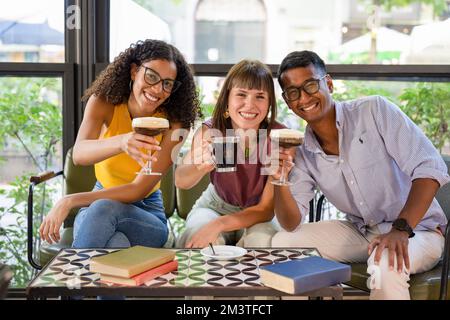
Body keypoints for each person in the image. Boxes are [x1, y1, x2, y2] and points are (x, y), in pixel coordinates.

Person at [271, 50, 449, 300]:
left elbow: (430, 168)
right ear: (288, 102)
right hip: (363, 233)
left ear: (329, 84)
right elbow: (290, 223)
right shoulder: (302, 151)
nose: (304, 98)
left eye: (311, 85)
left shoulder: (375, 110)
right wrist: (279, 178)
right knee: (282, 242)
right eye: (293, 92)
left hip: (419, 231)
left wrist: (400, 229)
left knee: (386, 261)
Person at [39, 39, 201, 250]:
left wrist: (68, 200)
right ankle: (87, 280)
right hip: (97, 206)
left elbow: (137, 190)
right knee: (117, 243)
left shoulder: (175, 121)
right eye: (151, 76)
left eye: (167, 83)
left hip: (147, 213)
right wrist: (121, 141)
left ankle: (74, 280)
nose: (157, 89)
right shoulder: (103, 102)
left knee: (103, 208)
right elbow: (79, 154)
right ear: (134, 71)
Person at [175, 59, 285, 249]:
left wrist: (219, 225)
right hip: (215, 206)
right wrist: (199, 167)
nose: (249, 105)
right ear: (227, 98)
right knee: (202, 243)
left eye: (260, 96)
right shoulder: (211, 130)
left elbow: (265, 210)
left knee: (262, 244)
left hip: (258, 213)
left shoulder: (278, 137)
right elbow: (181, 181)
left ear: (269, 103)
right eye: (241, 94)